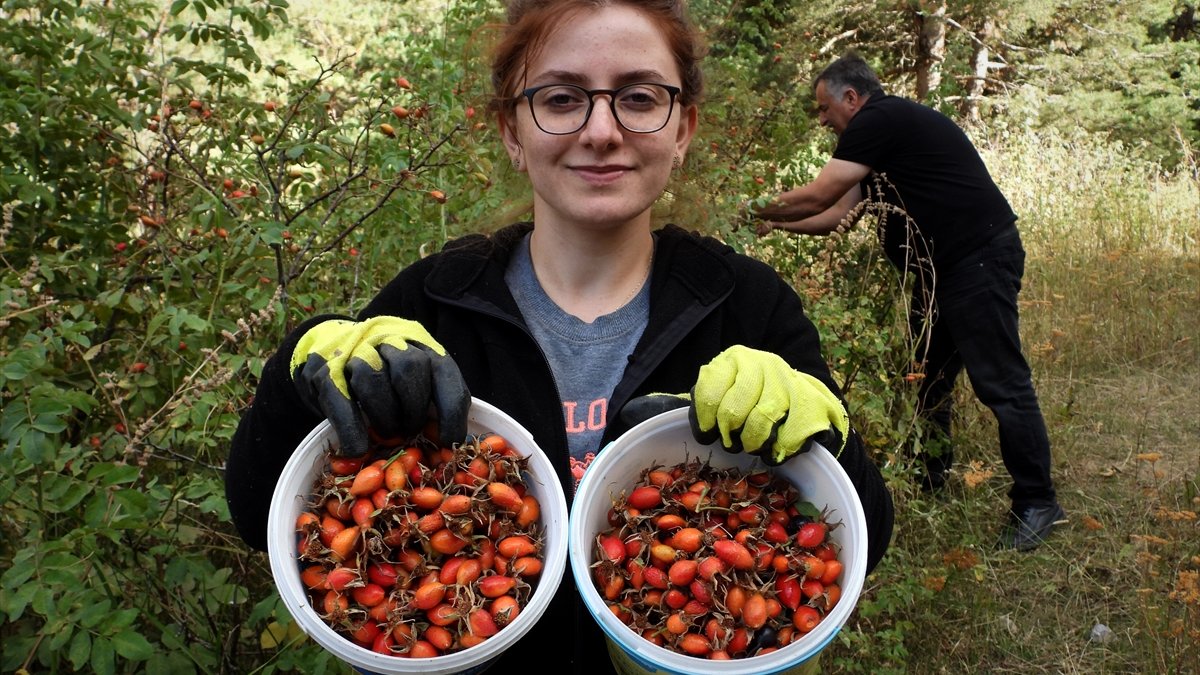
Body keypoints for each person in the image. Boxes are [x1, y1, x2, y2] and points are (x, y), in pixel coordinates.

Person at [225, 4, 894, 671]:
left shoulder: (747, 304)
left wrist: (826, 435)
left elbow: (862, 532)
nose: (601, 130)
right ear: (512, 130)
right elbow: (261, 513)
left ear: (683, 127)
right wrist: (302, 362)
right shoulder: (433, 303)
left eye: (638, 97)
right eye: (561, 98)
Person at [749, 51, 1064, 551]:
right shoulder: (878, 148)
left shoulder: (881, 118)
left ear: (851, 98)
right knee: (928, 380)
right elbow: (834, 216)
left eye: (825, 108)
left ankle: (1038, 502)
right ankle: (932, 480)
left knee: (1001, 383)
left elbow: (817, 195)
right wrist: (771, 223)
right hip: (942, 276)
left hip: (976, 261)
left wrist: (748, 204)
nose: (824, 120)